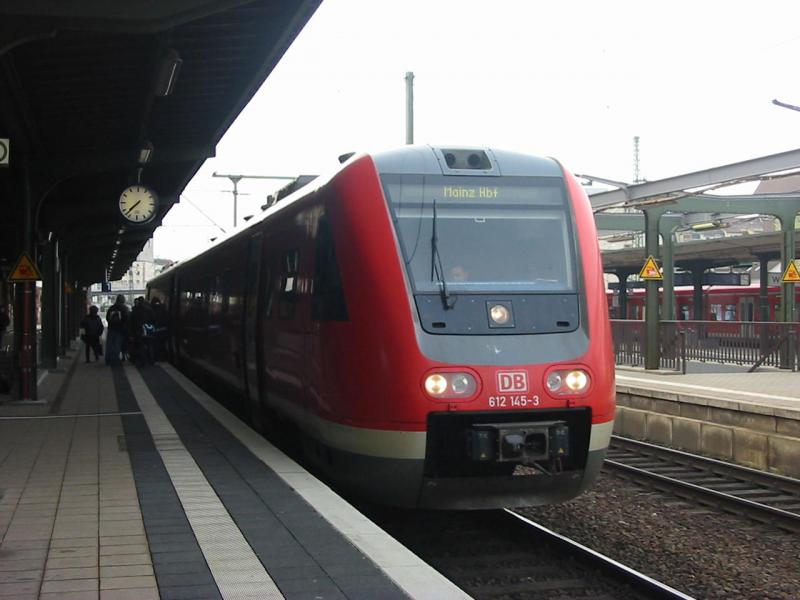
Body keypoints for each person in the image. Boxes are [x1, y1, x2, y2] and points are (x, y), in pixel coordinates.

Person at [131, 296, 156, 366]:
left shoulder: (135, 310)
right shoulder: (149, 309)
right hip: (148, 329)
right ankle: (151, 360)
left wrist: (132, 332)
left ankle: (143, 361)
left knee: (141, 345)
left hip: (139, 330)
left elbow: (132, 321)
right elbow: (154, 319)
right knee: (150, 345)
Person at [105, 294, 130, 366]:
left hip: (111, 329)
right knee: (117, 345)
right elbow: (127, 319)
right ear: (123, 300)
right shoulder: (124, 308)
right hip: (120, 329)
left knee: (110, 345)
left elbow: (107, 318)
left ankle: (108, 359)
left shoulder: (111, 308)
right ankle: (115, 360)